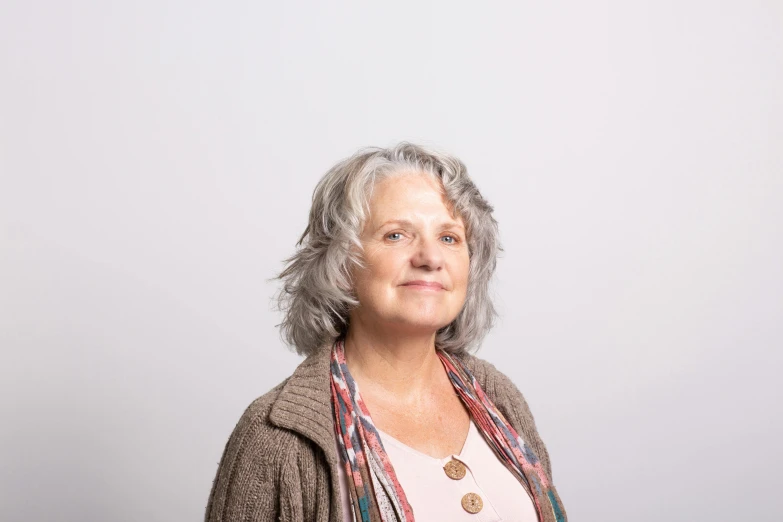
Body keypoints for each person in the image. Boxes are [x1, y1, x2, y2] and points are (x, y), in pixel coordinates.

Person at [204, 142, 567, 522]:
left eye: (449, 238)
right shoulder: (276, 435)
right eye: (396, 235)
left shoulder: (498, 397)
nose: (430, 258)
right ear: (342, 263)